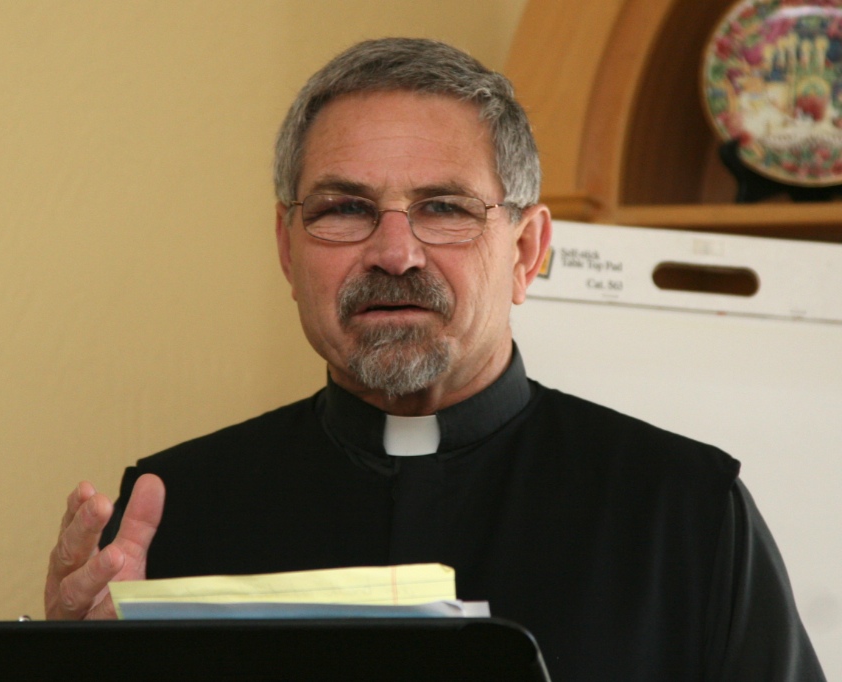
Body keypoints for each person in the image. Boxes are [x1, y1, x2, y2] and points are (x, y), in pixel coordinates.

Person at [44, 38, 824, 680]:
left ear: (526, 251)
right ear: (286, 248)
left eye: (444, 208)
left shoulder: (685, 513)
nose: (395, 252)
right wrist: (61, 666)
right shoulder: (173, 512)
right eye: (344, 209)